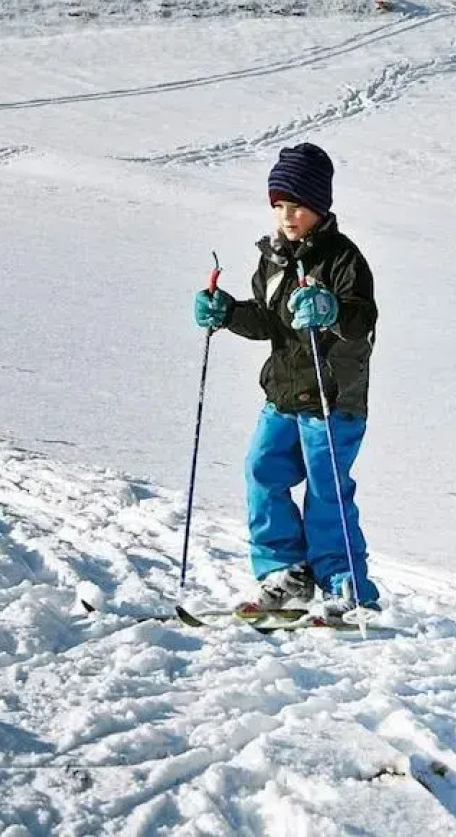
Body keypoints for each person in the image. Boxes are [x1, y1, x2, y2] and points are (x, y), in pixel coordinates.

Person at [193, 142, 381, 616]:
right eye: (279, 205)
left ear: (319, 205)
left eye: (296, 205)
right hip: (282, 395)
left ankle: (345, 587)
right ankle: (284, 573)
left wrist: (332, 309)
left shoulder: (344, 260)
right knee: (261, 472)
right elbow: (268, 320)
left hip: (331, 399)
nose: (287, 215)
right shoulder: (274, 258)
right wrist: (228, 313)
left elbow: (362, 319)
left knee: (325, 492)